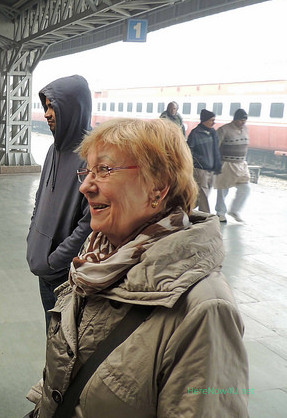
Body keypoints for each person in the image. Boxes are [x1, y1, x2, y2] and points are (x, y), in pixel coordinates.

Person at [25, 118, 249, 418]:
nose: (85, 186)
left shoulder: (206, 311)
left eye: (104, 170)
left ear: (157, 188)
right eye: (88, 171)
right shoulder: (96, 260)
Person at [26, 75, 92, 330]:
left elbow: (89, 224)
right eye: (46, 106)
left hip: (66, 276)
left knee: (65, 343)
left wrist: (56, 260)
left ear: (74, 108)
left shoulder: (90, 158)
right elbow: (39, 200)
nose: (47, 114)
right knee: (51, 334)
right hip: (44, 269)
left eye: (54, 106)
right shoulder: (52, 151)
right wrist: (33, 239)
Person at [215, 108, 250, 223]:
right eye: (241, 120)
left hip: (241, 164)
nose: (243, 122)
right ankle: (220, 213)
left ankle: (235, 211)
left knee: (245, 188)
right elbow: (216, 147)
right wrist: (216, 162)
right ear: (235, 119)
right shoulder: (224, 130)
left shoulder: (245, 129)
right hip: (227, 163)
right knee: (223, 189)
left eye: (245, 120)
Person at [187, 109, 221, 213]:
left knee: (202, 194)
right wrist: (199, 160)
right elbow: (189, 150)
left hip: (211, 168)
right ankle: (206, 216)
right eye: (211, 120)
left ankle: (186, 209)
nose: (213, 122)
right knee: (203, 194)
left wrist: (217, 165)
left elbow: (216, 150)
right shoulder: (195, 133)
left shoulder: (213, 133)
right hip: (200, 169)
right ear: (204, 120)